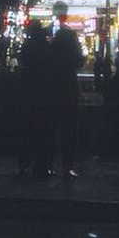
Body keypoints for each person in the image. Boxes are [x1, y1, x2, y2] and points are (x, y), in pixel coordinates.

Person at [46, 24, 87, 179]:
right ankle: (67, 166)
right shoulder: (73, 54)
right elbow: (80, 62)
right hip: (69, 91)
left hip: (53, 91)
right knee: (69, 131)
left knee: (51, 130)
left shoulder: (51, 51)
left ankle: (48, 165)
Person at [16, 21, 53, 180]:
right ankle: (42, 166)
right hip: (44, 96)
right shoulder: (46, 48)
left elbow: (23, 65)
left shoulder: (28, 46)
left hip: (29, 95)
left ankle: (25, 165)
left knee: (27, 132)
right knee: (44, 133)